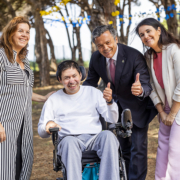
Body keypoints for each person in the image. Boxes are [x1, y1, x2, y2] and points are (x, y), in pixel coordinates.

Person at [83, 25, 157, 180]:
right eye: (100, 45)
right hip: (114, 109)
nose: (105, 48)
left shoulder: (133, 55)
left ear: (115, 39)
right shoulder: (96, 58)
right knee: (123, 149)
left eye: (108, 42)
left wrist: (140, 89)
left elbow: (145, 83)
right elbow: (90, 83)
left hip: (137, 107)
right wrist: (73, 95)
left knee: (138, 149)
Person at [38, 60, 120, 180]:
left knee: (109, 136)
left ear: (80, 76)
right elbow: (41, 131)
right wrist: (48, 125)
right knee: (69, 142)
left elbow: (112, 119)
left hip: (94, 138)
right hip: (69, 139)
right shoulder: (53, 99)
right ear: (60, 79)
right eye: (66, 77)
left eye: (74, 76)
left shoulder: (94, 93)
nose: (71, 81)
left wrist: (110, 102)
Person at [0, 16, 54, 180]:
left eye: (27, 32)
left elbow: (25, 91)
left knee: (21, 165)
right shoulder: (1, 56)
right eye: (20, 31)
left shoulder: (24, 60)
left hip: (24, 124)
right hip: (5, 123)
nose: (25, 35)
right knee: (4, 167)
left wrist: (44, 98)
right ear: (10, 33)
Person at [135, 18, 180, 180]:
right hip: (165, 109)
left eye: (148, 31)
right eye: (141, 34)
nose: (145, 36)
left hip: (178, 108)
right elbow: (151, 86)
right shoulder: (148, 56)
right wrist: (161, 111)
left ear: (159, 30)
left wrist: (172, 113)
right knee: (162, 149)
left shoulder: (173, 49)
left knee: (175, 150)